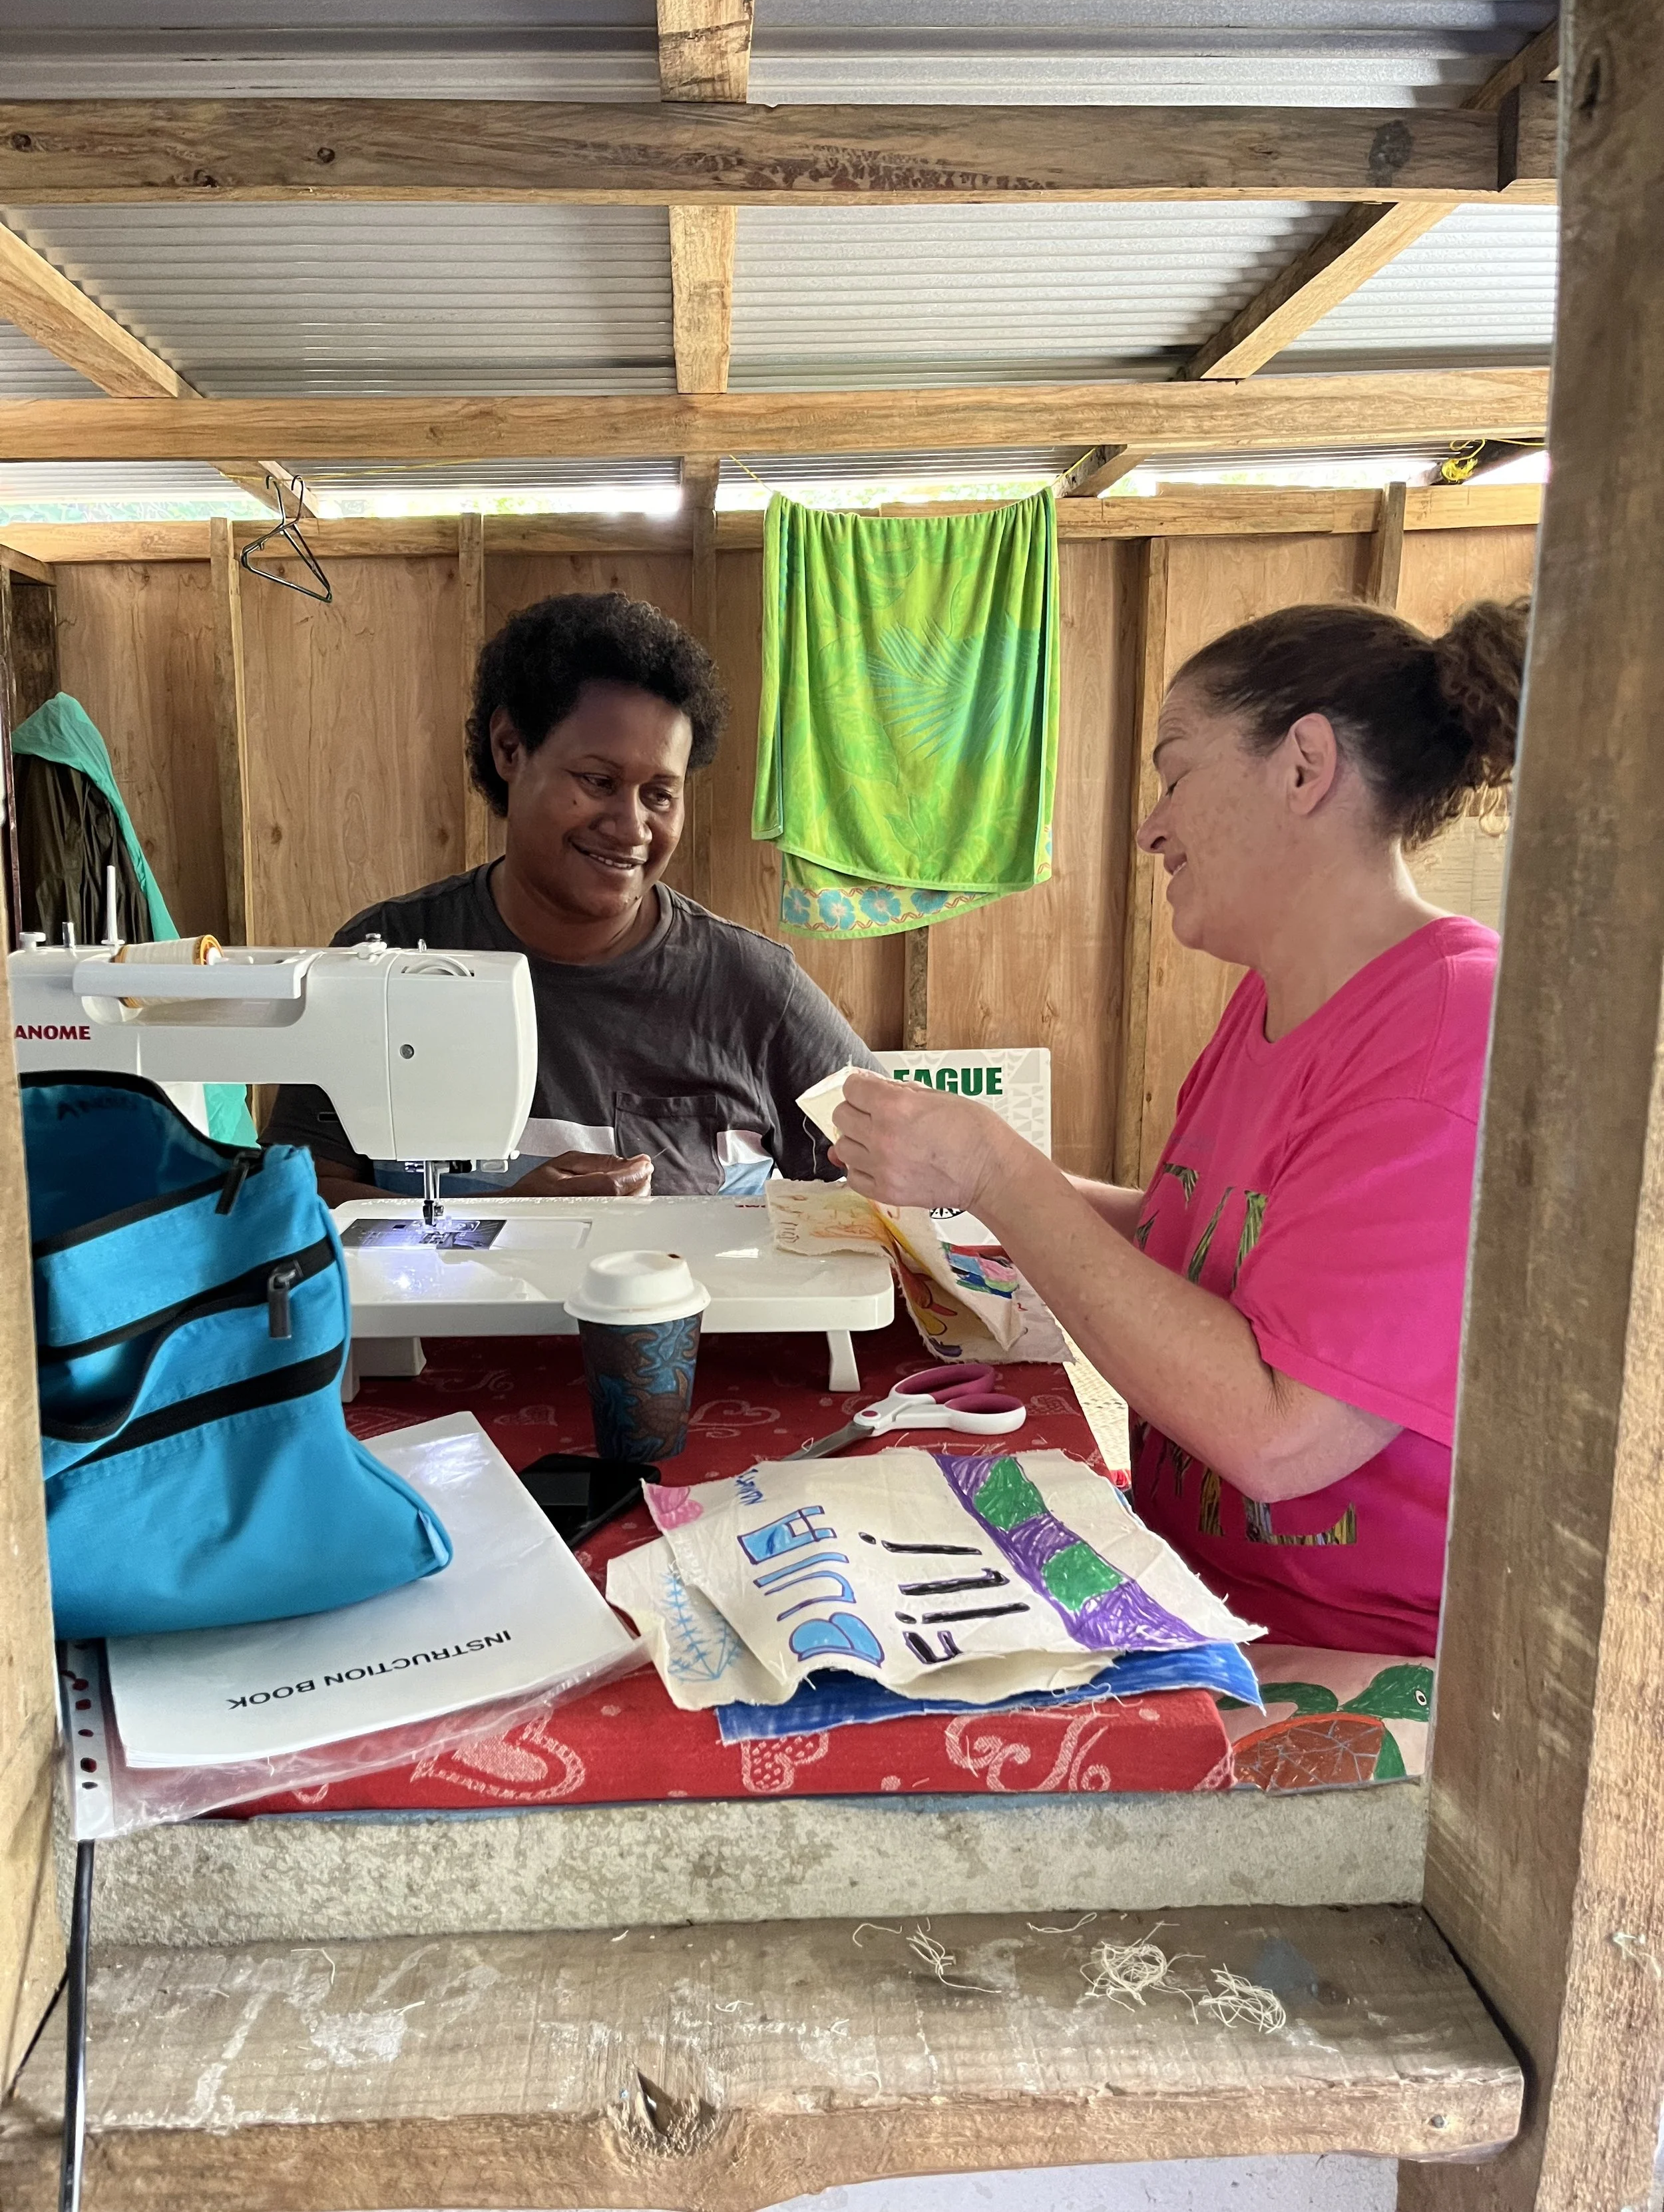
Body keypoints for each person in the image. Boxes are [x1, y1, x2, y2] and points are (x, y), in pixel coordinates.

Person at [830, 597, 1529, 1658]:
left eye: (1174, 772)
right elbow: (1183, 1234)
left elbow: (1280, 1436)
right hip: (1193, 1580)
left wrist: (998, 1172)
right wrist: (958, 1182)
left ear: (1303, 766)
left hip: (1356, 1652)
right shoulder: (1275, 999)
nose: (1152, 826)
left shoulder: (1447, 1032)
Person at [264, 591, 883, 1205]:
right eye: (599, 781)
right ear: (510, 749)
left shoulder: (751, 991)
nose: (632, 825)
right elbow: (295, 1200)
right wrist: (510, 1220)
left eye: (660, 794)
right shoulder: (385, 962)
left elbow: (901, 1183)